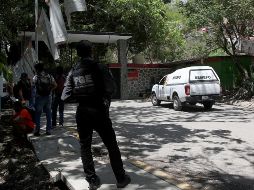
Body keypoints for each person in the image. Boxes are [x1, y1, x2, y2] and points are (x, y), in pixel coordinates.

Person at [61, 40, 131, 189]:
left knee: (85, 146)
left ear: (78, 54)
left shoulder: (73, 71)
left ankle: (92, 180)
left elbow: (64, 97)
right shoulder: (99, 67)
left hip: (82, 113)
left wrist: (80, 95)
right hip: (99, 111)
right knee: (111, 145)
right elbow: (111, 87)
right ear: (91, 51)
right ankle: (121, 178)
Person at [32, 63, 57, 136]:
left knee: (38, 114)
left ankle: (37, 131)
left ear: (37, 69)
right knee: (48, 114)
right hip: (48, 97)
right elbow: (55, 85)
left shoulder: (36, 77)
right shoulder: (49, 76)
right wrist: (50, 90)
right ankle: (48, 130)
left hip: (39, 97)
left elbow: (33, 87)